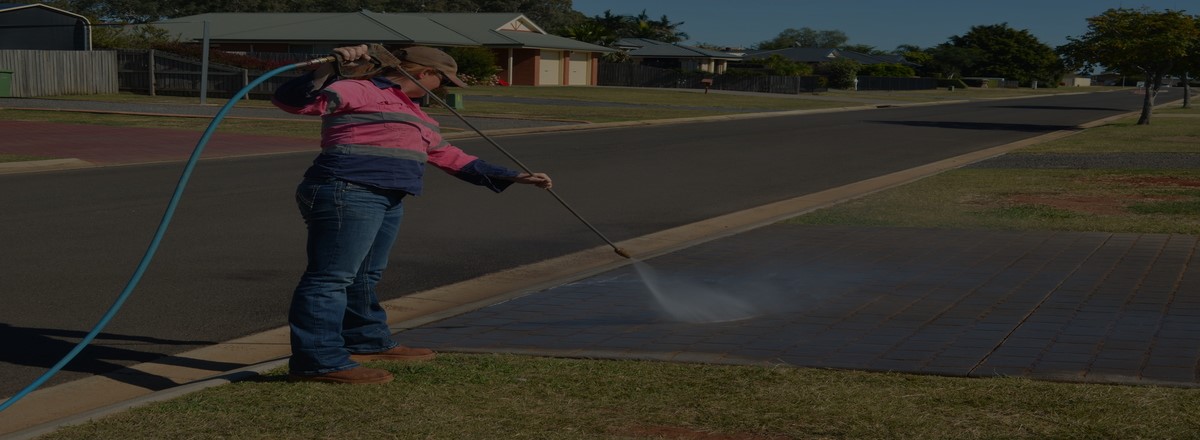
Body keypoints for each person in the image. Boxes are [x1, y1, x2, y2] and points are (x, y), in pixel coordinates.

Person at [272, 44, 552, 384]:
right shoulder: (359, 88)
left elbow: (448, 155)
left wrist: (513, 175)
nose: (442, 88)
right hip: (347, 190)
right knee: (331, 278)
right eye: (442, 80)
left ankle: (366, 341)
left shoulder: (418, 113)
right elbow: (293, 102)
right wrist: (325, 70)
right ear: (424, 74)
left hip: (387, 198)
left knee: (365, 276)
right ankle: (317, 360)